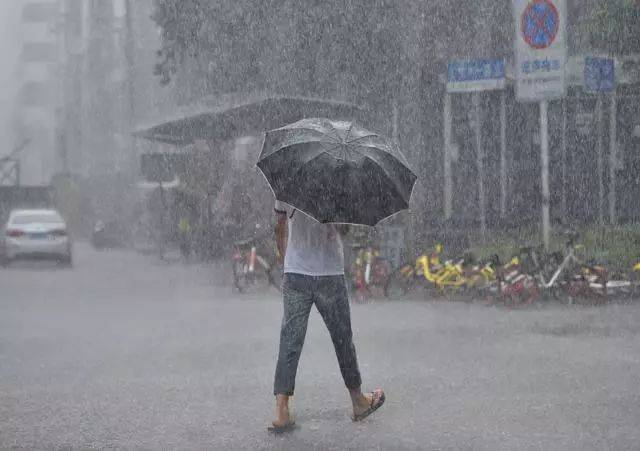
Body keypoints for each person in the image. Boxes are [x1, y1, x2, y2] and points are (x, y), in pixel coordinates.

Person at [269, 200, 385, 432]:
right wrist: (334, 216)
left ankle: (281, 410)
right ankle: (358, 401)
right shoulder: (338, 186)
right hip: (329, 272)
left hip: (296, 272)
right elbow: (343, 230)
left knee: (290, 339)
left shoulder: (287, 179)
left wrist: (284, 258)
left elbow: (280, 225)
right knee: (342, 338)